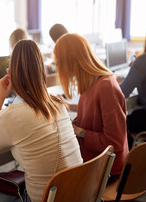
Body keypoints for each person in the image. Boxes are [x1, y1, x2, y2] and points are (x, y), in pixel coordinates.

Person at [0, 40, 83, 202]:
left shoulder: (11, 115)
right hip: (78, 192)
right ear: (41, 70)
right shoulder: (57, 103)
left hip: (45, 198)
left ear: (11, 73)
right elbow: (9, 133)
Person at [53, 33, 129, 181]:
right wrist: (68, 105)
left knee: (53, 179)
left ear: (71, 61)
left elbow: (114, 143)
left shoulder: (106, 88)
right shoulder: (92, 82)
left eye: (58, 64)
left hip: (106, 169)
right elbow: (93, 110)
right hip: (94, 160)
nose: (58, 68)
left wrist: (80, 132)